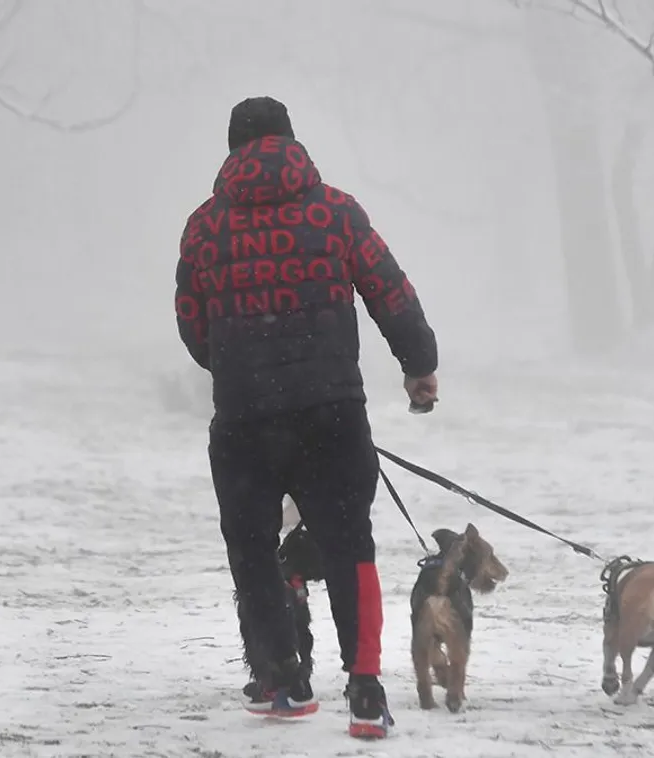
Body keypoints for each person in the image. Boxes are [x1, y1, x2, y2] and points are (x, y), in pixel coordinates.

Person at [173, 96, 439, 740]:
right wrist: (419, 363)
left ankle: (281, 680)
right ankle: (366, 692)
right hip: (333, 414)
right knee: (352, 548)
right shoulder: (335, 210)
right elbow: (389, 289)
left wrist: (235, 368)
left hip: (244, 419)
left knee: (253, 548)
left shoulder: (205, 226)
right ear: (292, 142)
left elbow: (191, 320)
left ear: (233, 149)